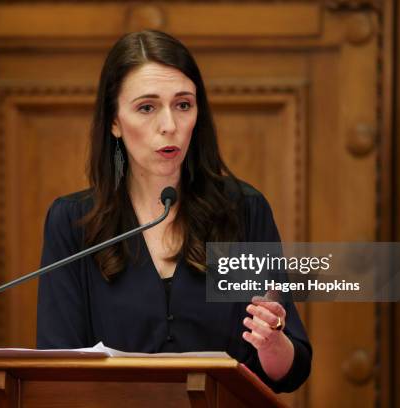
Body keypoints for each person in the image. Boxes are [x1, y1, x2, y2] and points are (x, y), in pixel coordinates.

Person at [37, 30, 311, 393]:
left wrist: (273, 344)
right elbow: (56, 368)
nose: (170, 125)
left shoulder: (243, 211)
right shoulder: (72, 223)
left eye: (183, 105)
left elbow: (288, 372)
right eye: (147, 107)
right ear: (115, 121)